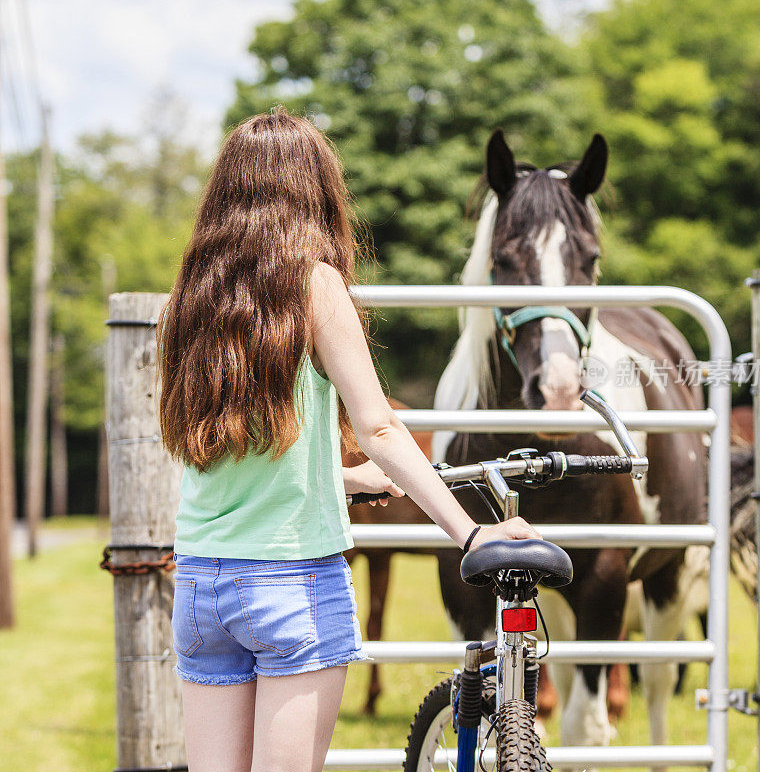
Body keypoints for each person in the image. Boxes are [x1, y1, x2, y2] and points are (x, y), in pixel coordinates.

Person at [157, 108, 541, 772]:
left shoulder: (188, 299)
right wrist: (471, 534)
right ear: (315, 189)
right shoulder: (314, 285)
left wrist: (344, 479)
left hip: (200, 586)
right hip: (289, 582)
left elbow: (229, 456)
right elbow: (381, 426)